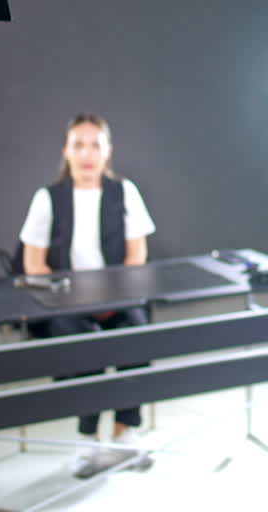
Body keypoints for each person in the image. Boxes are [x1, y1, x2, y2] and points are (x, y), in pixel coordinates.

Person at [18, 112, 157, 477]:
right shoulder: (47, 199)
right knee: (83, 346)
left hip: (118, 300)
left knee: (136, 334)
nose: (87, 153)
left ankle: (125, 434)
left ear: (108, 151)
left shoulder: (125, 193)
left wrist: (114, 297)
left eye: (95, 144)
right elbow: (33, 263)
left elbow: (136, 256)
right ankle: (87, 440)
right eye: (78, 144)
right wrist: (74, 299)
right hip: (69, 305)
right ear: (66, 151)